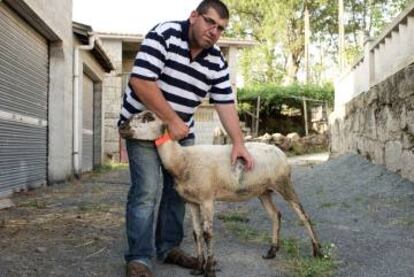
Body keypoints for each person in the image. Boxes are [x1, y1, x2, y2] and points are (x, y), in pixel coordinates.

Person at [118, 0, 254, 276]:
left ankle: (168, 247)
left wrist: (239, 143)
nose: (214, 31)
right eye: (210, 22)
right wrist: (170, 119)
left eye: (221, 28)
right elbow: (141, 81)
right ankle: (140, 258)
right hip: (146, 126)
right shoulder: (164, 35)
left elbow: (225, 102)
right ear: (194, 16)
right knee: (146, 190)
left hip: (180, 133)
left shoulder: (216, 60)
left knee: (179, 192)